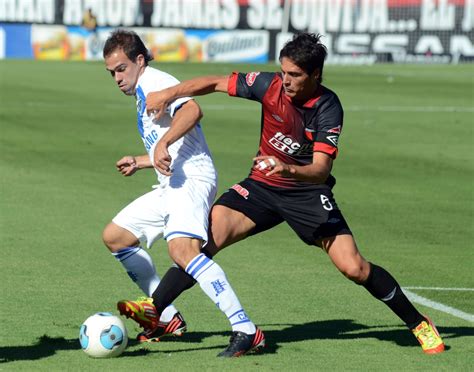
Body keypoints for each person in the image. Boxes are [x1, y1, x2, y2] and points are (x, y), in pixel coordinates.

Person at [120, 32, 446, 356]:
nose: (286, 80)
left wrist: (287, 168)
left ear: (315, 74)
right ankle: (156, 309)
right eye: (283, 72)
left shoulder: (327, 107)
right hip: (261, 187)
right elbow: (217, 82)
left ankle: (418, 322)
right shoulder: (270, 85)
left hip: (306, 193)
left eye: (295, 75)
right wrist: (169, 93)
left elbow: (320, 169)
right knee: (203, 240)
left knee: (354, 268)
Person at [101, 29, 264, 356]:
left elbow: (192, 111)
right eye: (111, 73)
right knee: (116, 236)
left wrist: (162, 143)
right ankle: (165, 317)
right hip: (172, 180)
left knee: (184, 252)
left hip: (192, 179)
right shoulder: (142, 89)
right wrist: (142, 160)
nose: (117, 77)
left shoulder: (154, 81)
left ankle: (245, 327)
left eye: (121, 69)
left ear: (139, 60)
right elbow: (171, 149)